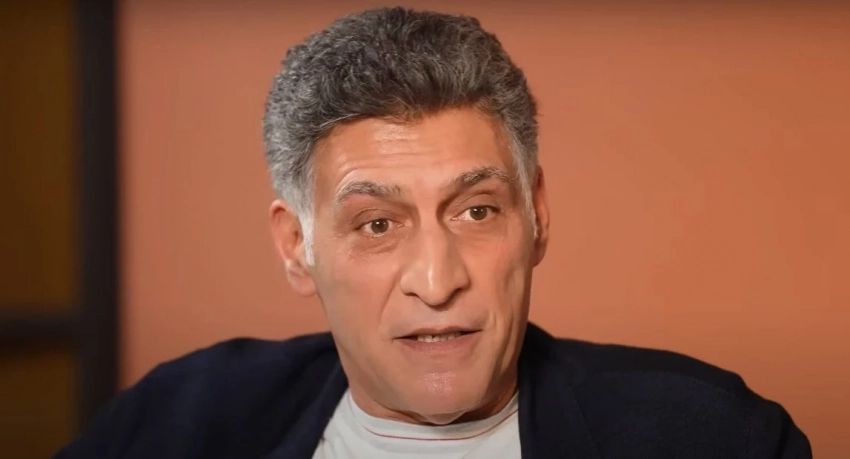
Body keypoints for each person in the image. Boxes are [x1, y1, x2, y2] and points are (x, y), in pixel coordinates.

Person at [56, 7, 811, 459]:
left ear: (536, 214)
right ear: (297, 247)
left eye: (476, 210)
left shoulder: (713, 436)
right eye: (377, 223)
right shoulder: (178, 421)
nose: (437, 279)